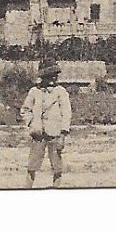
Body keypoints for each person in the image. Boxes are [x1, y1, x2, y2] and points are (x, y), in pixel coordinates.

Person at [20, 60, 71, 188]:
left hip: (55, 133)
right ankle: (27, 188)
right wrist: (32, 124)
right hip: (38, 135)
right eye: (50, 75)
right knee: (33, 164)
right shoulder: (34, 91)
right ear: (43, 76)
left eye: (55, 75)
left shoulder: (61, 92)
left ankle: (56, 188)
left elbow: (66, 113)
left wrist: (63, 133)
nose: (54, 78)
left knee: (57, 165)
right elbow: (25, 110)